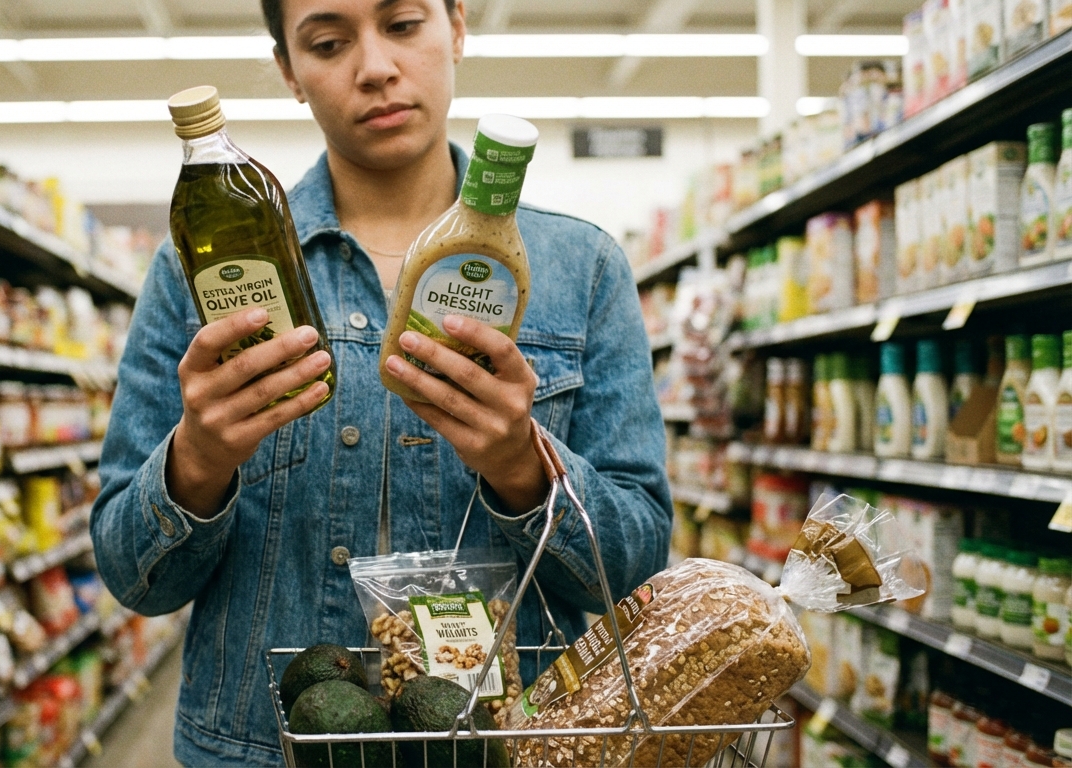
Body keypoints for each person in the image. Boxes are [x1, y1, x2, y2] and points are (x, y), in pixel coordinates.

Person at [90, 0, 673, 763]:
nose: (374, 68)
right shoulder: (202, 272)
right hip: (263, 746)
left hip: (502, 746)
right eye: (328, 42)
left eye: (403, 24)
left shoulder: (580, 268)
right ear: (289, 71)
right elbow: (136, 581)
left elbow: (631, 572)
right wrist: (197, 461)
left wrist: (523, 470)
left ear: (457, 27)